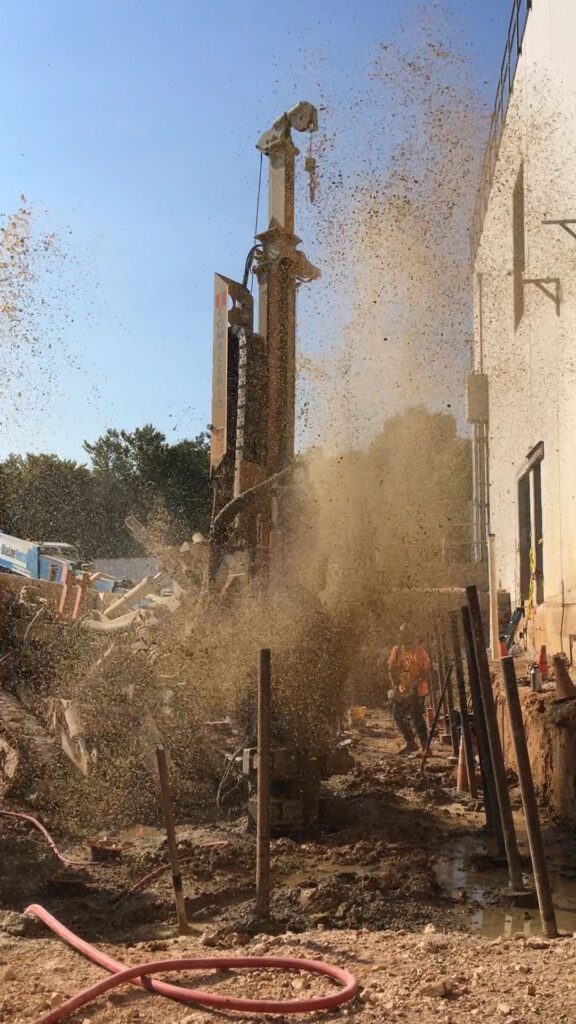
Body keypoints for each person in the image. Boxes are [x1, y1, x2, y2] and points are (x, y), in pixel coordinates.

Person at [388, 625, 431, 755]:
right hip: (402, 689)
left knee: (416, 716)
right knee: (398, 715)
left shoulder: (420, 652)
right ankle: (410, 743)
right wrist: (396, 686)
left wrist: (415, 685)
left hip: (417, 690)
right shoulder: (396, 651)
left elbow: (426, 672)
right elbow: (391, 670)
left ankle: (425, 747)